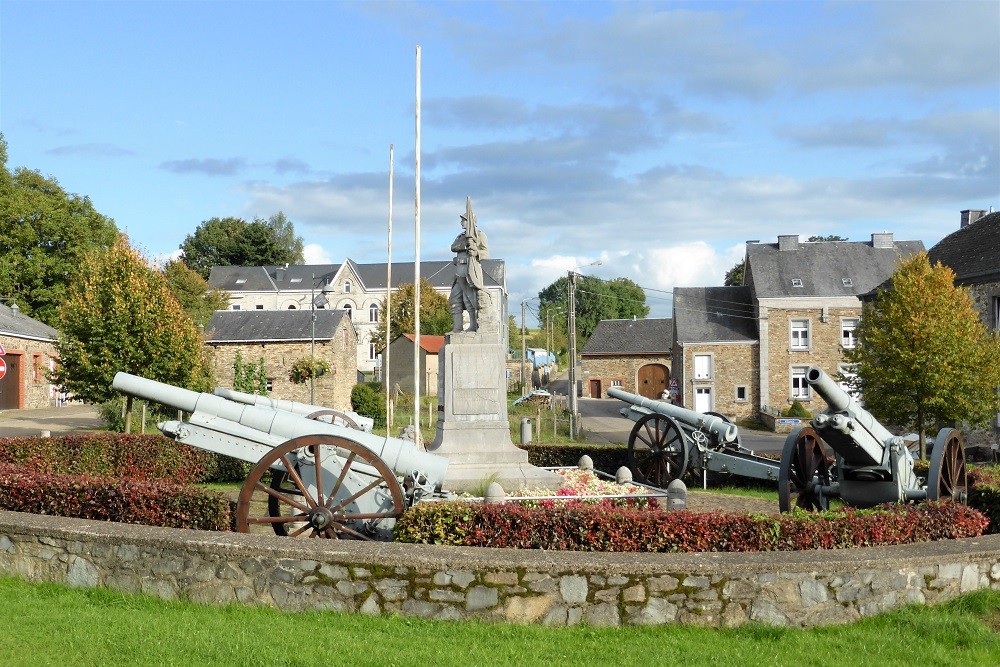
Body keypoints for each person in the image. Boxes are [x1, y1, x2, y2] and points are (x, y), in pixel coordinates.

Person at [450, 197, 489, 332]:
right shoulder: (461, 236)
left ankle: (473, 326)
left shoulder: (479, 235)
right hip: (459, 272)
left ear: (470, 222)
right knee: (455, 300)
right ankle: (457, 328)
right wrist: (465, 245)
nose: (461, 222)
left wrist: (475, 251)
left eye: (463, 220)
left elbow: (485, 253)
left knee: (470, 300)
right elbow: (453, 247)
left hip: (470, 271)